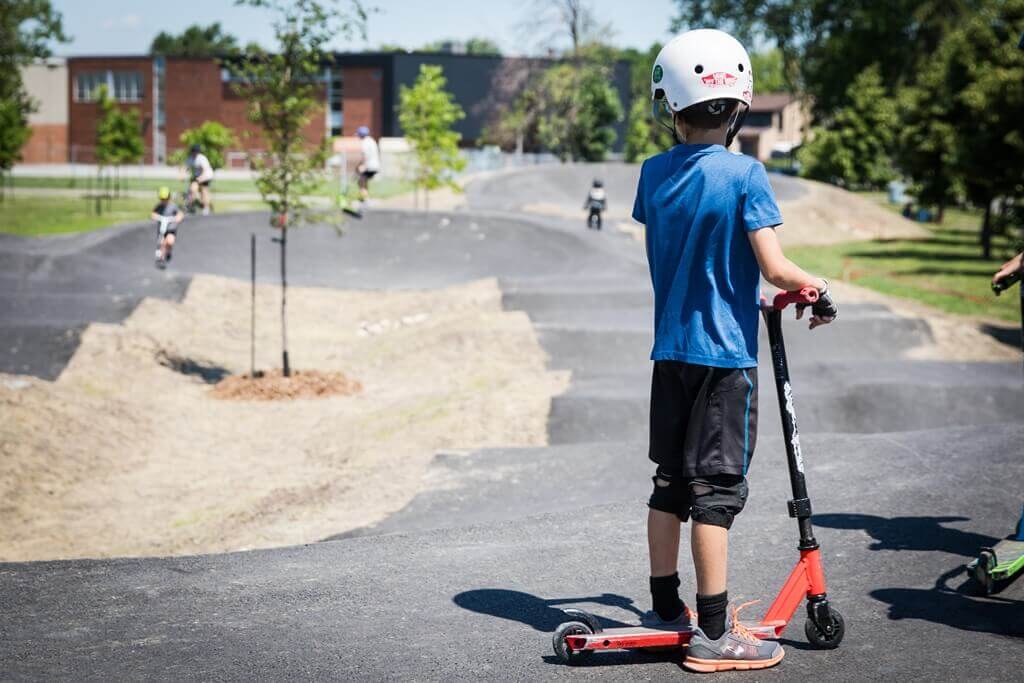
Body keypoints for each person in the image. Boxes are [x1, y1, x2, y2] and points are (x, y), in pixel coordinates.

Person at [632, 29, 837, 673]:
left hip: (670, 353)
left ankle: (666, 604)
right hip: (724, 357)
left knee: (668, 482)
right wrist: (816, 285)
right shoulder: (746, 174)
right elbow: (774, 269)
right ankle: (714, 633)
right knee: (715, 491)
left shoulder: (651, 173)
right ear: (739, 105)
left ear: (671, 105)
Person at [151, 186, 184, 267]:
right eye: (162, 199)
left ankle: (168, 252)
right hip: (162, 229)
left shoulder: (173, 206)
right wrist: (159, 218)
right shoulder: (159, 206)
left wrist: (176, 218)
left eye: (165, 199)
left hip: (171, 229)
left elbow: (180, 214)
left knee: (169, 241)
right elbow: (153, 214)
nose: (164, 201)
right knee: (162, 243)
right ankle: (161, 258)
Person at [185, 143, 214, 216]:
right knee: (192, 190)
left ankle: (206, 208)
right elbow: (186, 167)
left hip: (206, 176)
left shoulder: (201, 158)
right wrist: (182, 174)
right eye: (194, 151)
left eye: (196, 151)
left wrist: (200, 179)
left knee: (204, 191)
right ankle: (191, 206)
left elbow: (205, 170)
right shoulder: (190, 158)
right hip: (197, 176)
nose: (195, 153)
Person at [356, 126, 380, 210]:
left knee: (361, 182)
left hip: (369, 165)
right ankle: (365, 198)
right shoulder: (371, 140)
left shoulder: (365, 142)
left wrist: (362, 165)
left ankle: (365, 200)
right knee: (364, 181)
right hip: (375, 165)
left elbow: (365, 155)